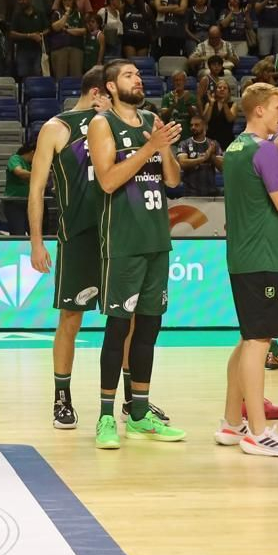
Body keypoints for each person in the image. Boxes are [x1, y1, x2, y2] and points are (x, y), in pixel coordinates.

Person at [88, 61, 187, 448]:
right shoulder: (103, 124)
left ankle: (142, 413)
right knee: (117, 330)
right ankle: (105, 417)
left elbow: (174, 180)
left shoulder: (151, 118)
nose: (137, 79)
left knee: (148, 329)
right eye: (128, 75)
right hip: (123, 242)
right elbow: (108, 180)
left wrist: (164, 151)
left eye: (138, 74)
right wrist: (150, 146)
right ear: (111, 86)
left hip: (156, 240)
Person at [218, 82, 278, 458]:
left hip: (240, 257)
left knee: (247, 340)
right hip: (260, 258)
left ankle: (230, 421)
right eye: (276, 107)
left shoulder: (234, 148)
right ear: (258, 110)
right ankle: (257, 432)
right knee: (259, 343)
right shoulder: (265, 150)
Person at [27, 67, 109, 430]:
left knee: (129, 319)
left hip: (117, 233)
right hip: (78, 235)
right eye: (109, 93)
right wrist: (36, 241)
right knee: (71, 319)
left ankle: (131, 402)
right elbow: (36, 190)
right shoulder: (57, 128)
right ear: (96, 93)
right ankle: (62, 397)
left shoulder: (116, 125)